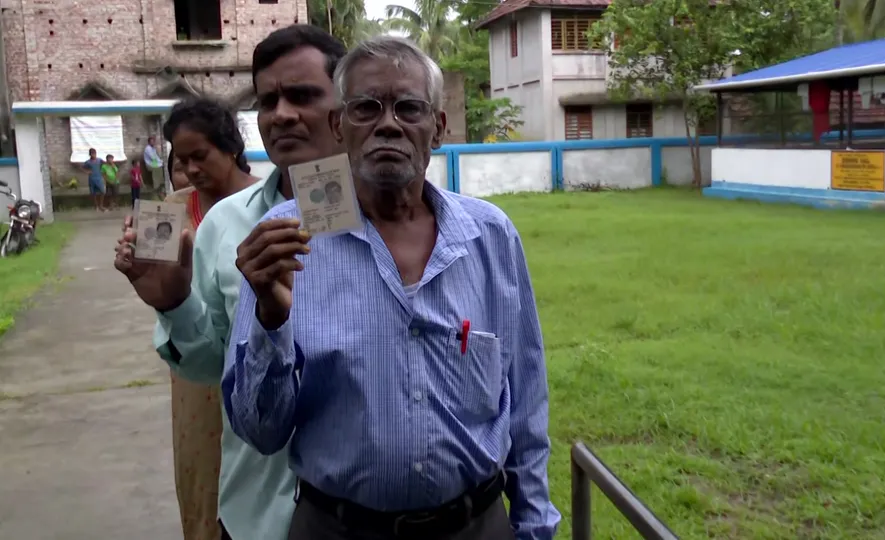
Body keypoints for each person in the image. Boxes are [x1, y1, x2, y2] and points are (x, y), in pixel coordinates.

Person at [224, 36, 560, 540]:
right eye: (365, 108)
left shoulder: (490, 236)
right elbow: (261, 432)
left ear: (438, 129)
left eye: (408, 108)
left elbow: (526, 399)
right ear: (339, 127)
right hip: (337, 528)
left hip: (477, 524)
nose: (388, 123)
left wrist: (534, 523)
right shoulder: (285, 241)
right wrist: (270, 320)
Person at [113, 25, 347, 540]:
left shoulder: (397, 221)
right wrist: (175, 303)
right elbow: (210, 365)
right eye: (267, 101)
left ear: (347, 107)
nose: (282, 113)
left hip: (363, 515)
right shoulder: (225, 224)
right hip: (257, 514)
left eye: (303, 95)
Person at [146, 98, 258, 540]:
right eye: (181, 158)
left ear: (230, 148)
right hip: (195, 371)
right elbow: (159, 286)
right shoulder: (170, 210)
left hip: (250, 356)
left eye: (200, 156)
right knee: (199, 471)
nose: (190, 169)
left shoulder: (267, 203)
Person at [80, 148, 106, 212]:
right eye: (92, 153)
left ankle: (101, 205)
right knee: (93, 193)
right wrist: (87, 172)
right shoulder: (88, 162)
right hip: (92, 178)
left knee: (102, 191)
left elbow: (105, 164)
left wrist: (103, 171)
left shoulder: (99, 160)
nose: (93, 155)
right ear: (90, 154)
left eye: (94, 153)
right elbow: (82, 167)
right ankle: (96, 206)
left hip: (99, 178)